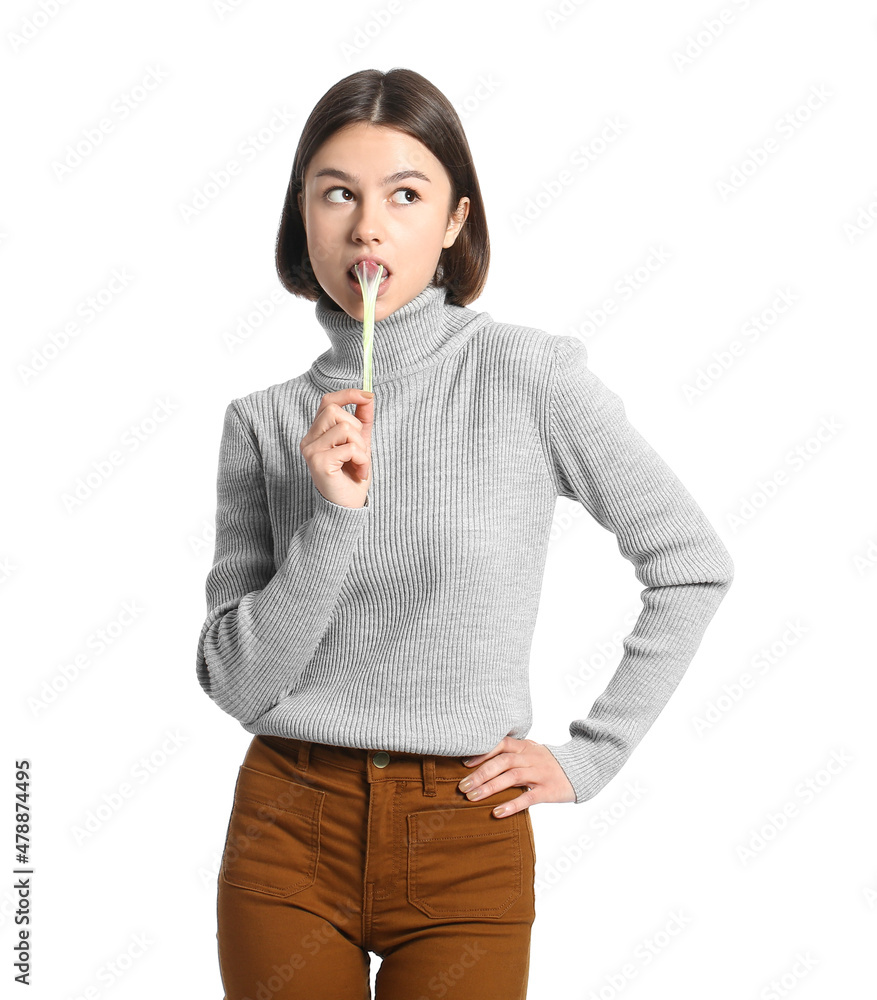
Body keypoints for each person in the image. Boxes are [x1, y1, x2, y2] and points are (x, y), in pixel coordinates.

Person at [195, 67, 734, 1000]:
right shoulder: (262, 420)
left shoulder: (530, 378)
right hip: (287, 825)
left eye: (405, 195)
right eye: (337, 194)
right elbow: (236, 682)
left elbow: (690, 564)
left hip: (465, 830)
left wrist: (593, 755)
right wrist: (334, 518)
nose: (368, 226)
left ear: (452, 222)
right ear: (303, 219)